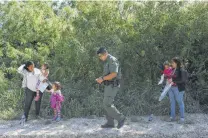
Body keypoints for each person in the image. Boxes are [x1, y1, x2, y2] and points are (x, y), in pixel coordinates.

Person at [96, 47, 126, 129]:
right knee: (106, 104)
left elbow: (114, 74)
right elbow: (108, 75)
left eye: (100, 55)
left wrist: (102, 79)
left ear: (105, 53)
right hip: (109, 85)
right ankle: (110, 123)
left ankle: (121, 118)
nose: (100, 57)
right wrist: (101, 78)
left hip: (113, 85)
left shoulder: (112, 60)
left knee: (107, 104)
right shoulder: (107, 61)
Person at [167, 57, 187, 123]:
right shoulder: (172, 69)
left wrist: (174, 81)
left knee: (180, 102)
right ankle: (172, 117)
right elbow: (170, 77)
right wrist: (168, 80)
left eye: (173, 62)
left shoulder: (182, 70)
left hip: (178, 88)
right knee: (172, 102)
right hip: (171, 88)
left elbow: (183, 80)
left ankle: (182, 118)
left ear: (177, 63)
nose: (171, 63)